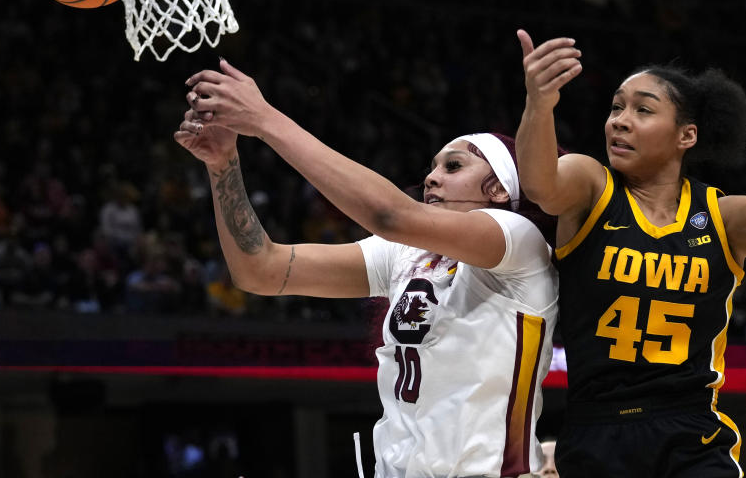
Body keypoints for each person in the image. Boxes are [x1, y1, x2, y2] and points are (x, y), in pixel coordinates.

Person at [515, 31, 746, 478]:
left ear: (687, 135)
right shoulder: (590, 185)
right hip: (596, 426)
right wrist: (539, 105)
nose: (620, 120)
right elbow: (540, 184)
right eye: (617, 106)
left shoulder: (721, 215)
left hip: (690, 429)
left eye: (642, 109)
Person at [175, 58, 560, 478]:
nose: (431, 178)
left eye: (452, 166)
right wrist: (223, 164)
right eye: (431, 167)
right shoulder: (404, 255)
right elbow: (261, 270)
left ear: (500, 189)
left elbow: (389, 214)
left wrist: (264, 118)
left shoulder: (518, 241)